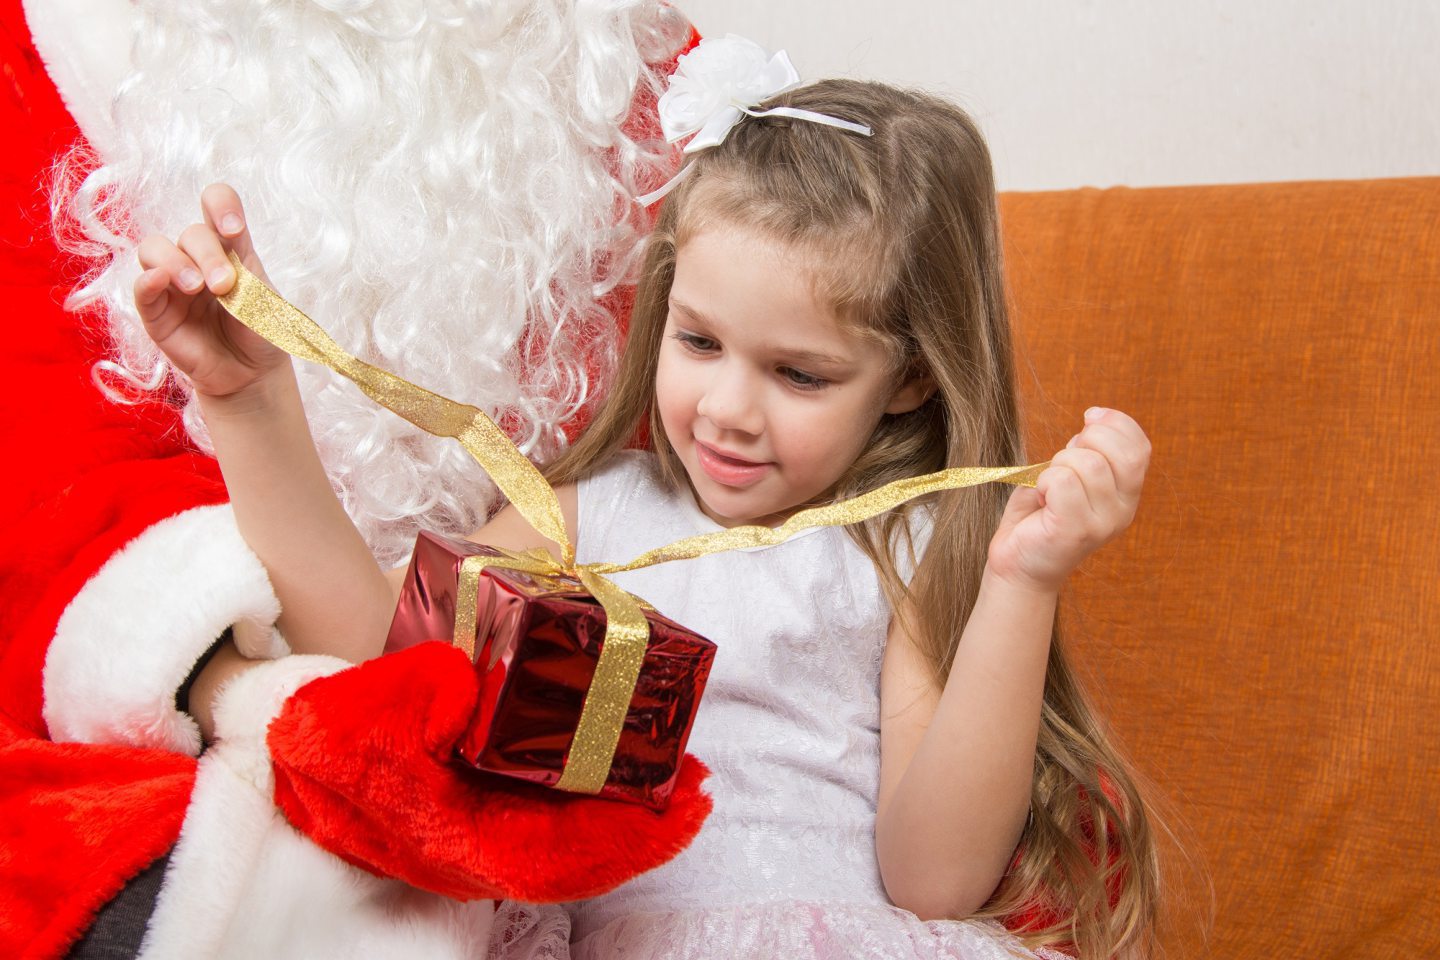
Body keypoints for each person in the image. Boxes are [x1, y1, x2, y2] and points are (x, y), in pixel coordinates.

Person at [132, 42, 1158, 960]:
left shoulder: (902, 547)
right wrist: (252, 401)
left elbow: (934, 881)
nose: (728, 410)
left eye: (799, 375)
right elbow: (377, 653)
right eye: (699, 341)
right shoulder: (595, 516)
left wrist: (1022, 583)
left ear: (909, 379)